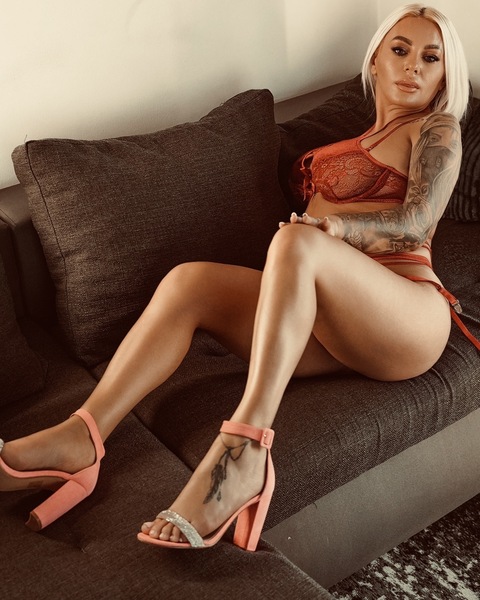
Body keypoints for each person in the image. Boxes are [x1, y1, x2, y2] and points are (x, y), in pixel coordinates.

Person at [0, 4, 475, 550]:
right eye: (400, 49)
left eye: (431, 57)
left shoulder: (435, 128)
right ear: (374, 60)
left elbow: (417, 222)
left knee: (294, 241)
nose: (413, 65)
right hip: (331, 324)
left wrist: (334, 228)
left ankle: (245, 451)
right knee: (189, 282)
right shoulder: (361, 134)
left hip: (407, 314)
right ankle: (81, 436)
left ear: (445, 76)